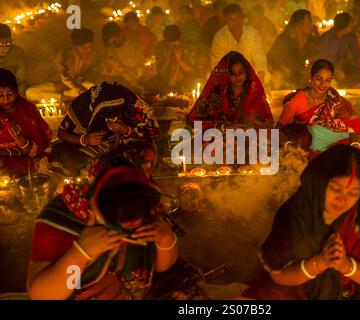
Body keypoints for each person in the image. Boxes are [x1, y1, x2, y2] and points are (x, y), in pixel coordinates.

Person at [27, 155, 206, 300]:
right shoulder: (65, 219)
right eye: (117, 210)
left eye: (137, 209)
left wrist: (165, 239)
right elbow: (43, 295)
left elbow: (162, 269)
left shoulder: (143, 208)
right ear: (92, 198)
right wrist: (81, 252)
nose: (131, 222)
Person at [243, 144, 360, 300]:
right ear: (318, 183)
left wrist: (346, 266)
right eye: (336, 188)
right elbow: (278, 276)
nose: (343, 199)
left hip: (352, 292)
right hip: (300, 289)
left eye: (354, 192)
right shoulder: (295, 214)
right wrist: (319, 263)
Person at [50, 82, 159, 176]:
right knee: (62, 151)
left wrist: (126, 131)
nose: (110, 119)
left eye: (115, 114)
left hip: (123, 146)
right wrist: (84, 139)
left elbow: (152, 136)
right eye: (105, 115)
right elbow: (61, 132)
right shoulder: (83, 105)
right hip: (89, 145)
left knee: (144, 153)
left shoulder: (135, 107)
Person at [277, 59, 360, 160]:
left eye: (328, 80)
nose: (323, 85)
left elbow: (354, 124)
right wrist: (291, 147)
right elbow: (277, 130)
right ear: (311, 77)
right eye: (319, 79)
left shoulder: (333, 99)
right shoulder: (297, 100)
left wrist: (354, 145)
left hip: (340, 140)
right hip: (311, 143)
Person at [187, 51, 273, 130]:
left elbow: (266, 122)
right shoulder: (217, 93)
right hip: (220, 135)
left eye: (241, 72)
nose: (237, 77)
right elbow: (195, 120)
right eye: (233, 73)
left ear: (247, 72)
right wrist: (224, 127)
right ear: (226, 75)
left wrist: (250, 123)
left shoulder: (253, 92)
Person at [0, 68, 51, 177]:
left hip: (23, 154)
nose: (6, 99)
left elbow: (37, 144)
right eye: (0, 95)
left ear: (17, 92)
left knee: (37, 166)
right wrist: (7, 122)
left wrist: (20, 139)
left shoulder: (27, 109)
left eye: (10, 94)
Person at [26, 28, 99, 102]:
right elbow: (64, 77)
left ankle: (72, 97)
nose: (86, 50)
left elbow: (90, 72)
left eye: (89, 46)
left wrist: (83, 78)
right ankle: (67, 98)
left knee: (93, 86)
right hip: (57, 85)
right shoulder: (64, 55)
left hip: (76, 87)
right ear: (75, 46)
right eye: (82, 47)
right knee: (30, 92)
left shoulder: (92, 55)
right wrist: (82, 90)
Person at [211, 4, 268, 84]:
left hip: (250, 78)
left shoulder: (252, 34)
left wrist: (261, 72)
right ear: (226, 21)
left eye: (238, 18)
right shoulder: (220, 37)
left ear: (242, 18)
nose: (236, 22)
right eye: (232, 19)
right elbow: (217, 63)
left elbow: (259, 56)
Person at [267, 9, 319, 89]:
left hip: (306, 80)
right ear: (299, 25)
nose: (312, 25)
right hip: (286, 81)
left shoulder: (312, 41)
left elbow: (317, 59)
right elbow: (272, 60)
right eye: (309, 23)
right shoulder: (284, 39)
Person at [318, 12, 360, 86]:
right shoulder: (326, 38)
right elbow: (322, 60)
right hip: (328, 68)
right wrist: (335, 71)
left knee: (357, 73)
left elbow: (358, 54)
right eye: (351, 24)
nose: (352, 26)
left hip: (343, 66)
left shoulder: (350, 36)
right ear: (344, 27)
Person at [148, 25, 197, 94]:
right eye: (168, 43)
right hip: (164, 82)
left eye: (174, 42)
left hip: (183, 82)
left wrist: (179, 59)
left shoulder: (188, 47)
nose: (172, 45)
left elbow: (191, 70)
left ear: (179, 39)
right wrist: (167, 60)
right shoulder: (161, 46)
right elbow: (159, 70)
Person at [102, 22, 146, 92]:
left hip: (135, 86)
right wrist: (109, 67)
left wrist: (124, 68)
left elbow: (141, 71)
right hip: (118, 84)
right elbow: (109, 71)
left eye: (114, 41)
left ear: (121, 34)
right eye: (110, 43)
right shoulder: (111, 47)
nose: (113, 45)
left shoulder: (135, 46)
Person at [0, 24, 27, 95]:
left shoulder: (18, 53)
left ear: (11, 42)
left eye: (7, 44)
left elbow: (22, 79)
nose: (3, 48)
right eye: (0, 45)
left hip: (13, 90)